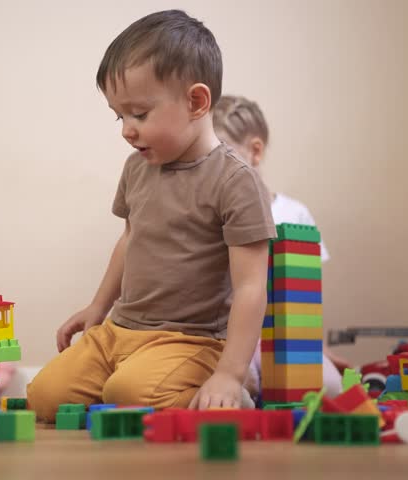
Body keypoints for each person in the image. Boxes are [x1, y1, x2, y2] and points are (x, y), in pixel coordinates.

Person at [26, 10, 276, 421]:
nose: (127, 129)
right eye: (119, 116)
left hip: (191, 341)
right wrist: (98, 307)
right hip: (120, 331)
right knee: (45, 396)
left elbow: (251, 287)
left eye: (139, 114)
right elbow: (130, 239)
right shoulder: (137, 168)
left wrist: (230, 374)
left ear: (196, 102)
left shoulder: (235, 180)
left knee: (128, 391)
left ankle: (232, 396)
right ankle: (141, 383)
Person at [212, 94, 345, 397]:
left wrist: (317, 345)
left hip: (288, 339)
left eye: (224, 154)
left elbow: (308, 293)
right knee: (241, 388)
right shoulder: (212, 214)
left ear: (255, 151)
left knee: (329, 387)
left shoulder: (294, 214)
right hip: (231, 341)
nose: (214, 168)